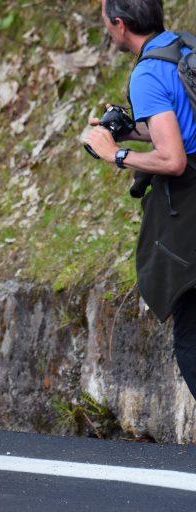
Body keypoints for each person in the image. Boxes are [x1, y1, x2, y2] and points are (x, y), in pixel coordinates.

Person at [83, 0, 196, 399]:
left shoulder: (147, 72)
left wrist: (114, 154)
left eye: (104, 20)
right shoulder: (183, 47)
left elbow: (174, 158)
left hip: (190, 214)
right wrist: (130, 132)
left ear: (119, 24)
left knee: (191, 342)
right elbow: (179, 126)